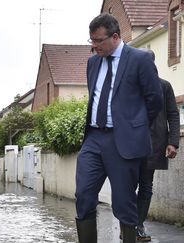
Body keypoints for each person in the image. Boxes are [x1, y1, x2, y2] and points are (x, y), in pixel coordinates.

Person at [75, 13, 163, 243]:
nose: (94, 47)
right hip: (93, 138)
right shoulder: (93, 62)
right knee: (83, 195)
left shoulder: (139, 60)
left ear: (115, 37)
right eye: (91, 41)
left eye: (98, 41)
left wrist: (134, 125)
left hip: (122, 140)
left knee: (124, 202)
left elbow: (155, 100)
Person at [135, 48, 180, 242]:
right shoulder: (132, 86)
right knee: (127, 186)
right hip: (131, 144)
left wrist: (173, 142)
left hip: (155, 144)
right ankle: (128, 224)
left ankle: (137, 226)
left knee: (146, 186)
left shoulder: (164, 86)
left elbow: (173, 113)